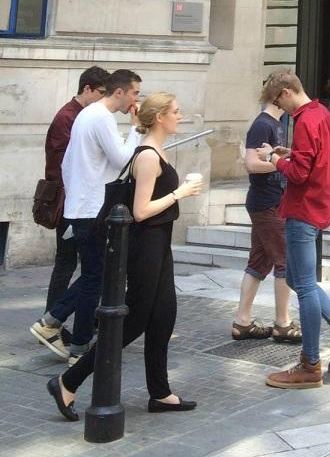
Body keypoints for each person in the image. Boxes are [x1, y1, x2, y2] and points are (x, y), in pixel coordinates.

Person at [46, 93, 203, 422]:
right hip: (145, 247)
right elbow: (140, 211)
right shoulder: (147, 156)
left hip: (159, 245)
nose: (180, 115)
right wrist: (180, 193)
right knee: (134, 322)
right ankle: (68, 381)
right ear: (159, 117)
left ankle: (160, 393)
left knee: (164, 317)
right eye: (175, 111)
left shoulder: (156, 150)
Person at [258, 69, 330, 389]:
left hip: (302, 210)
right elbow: (316, 159)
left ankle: (310, 364)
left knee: (303, 286)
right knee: (295, 279)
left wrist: (274, 160)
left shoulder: (304, 121)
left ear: (287, 92)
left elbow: (300, 174)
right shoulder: (322, 114)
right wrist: (290, 154)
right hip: (316, 207)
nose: (280, 108)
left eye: (278, 102)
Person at [30, 69, 142, 365]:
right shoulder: (102, 117)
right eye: (135, 93)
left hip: (82, 207)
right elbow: (123, 159)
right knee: (95, 277)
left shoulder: (86, 115)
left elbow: (68, 165)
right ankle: (74, 342)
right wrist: (136, 130)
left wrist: (75, 200)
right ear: (120, 92)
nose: (136, 100)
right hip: (93, 210)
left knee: (95, 274)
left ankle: (56, 324)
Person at [30, 66, 109, 354]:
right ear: (87, 88)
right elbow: (68, 165)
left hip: (76, 201)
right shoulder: (68, 117)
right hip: (69, 203)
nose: (104, 99)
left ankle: (59, 322)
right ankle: (52, 324)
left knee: (80, 265)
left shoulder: (82, 115)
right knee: (68, 263)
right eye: (101, 92)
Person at [231, 87, 300, 343]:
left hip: (269, 201)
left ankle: (242, 322)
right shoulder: (263, 124)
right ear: (279, 96)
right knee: (284, 261)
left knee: (259, 261)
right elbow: (251, 163)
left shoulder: (276, 123)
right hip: (267, 203)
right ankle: (283, 323)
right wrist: (279, 163)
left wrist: (280, 157)